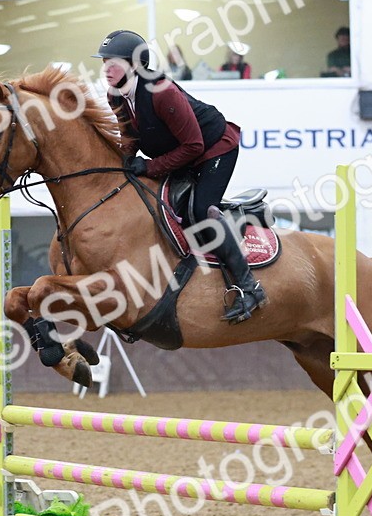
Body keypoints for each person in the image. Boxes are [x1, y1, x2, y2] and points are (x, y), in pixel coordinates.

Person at [92, 29, 266, 323]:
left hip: (215, 149)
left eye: (115, 62)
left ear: (134, 65)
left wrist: (148, 167)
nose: (107, 69)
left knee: (201, 211)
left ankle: (250, 287)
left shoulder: (163, 93)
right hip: (182, 153)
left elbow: (194, 145)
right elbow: (130, 136)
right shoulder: (116, 96)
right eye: (104, 62)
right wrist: (121, 161)